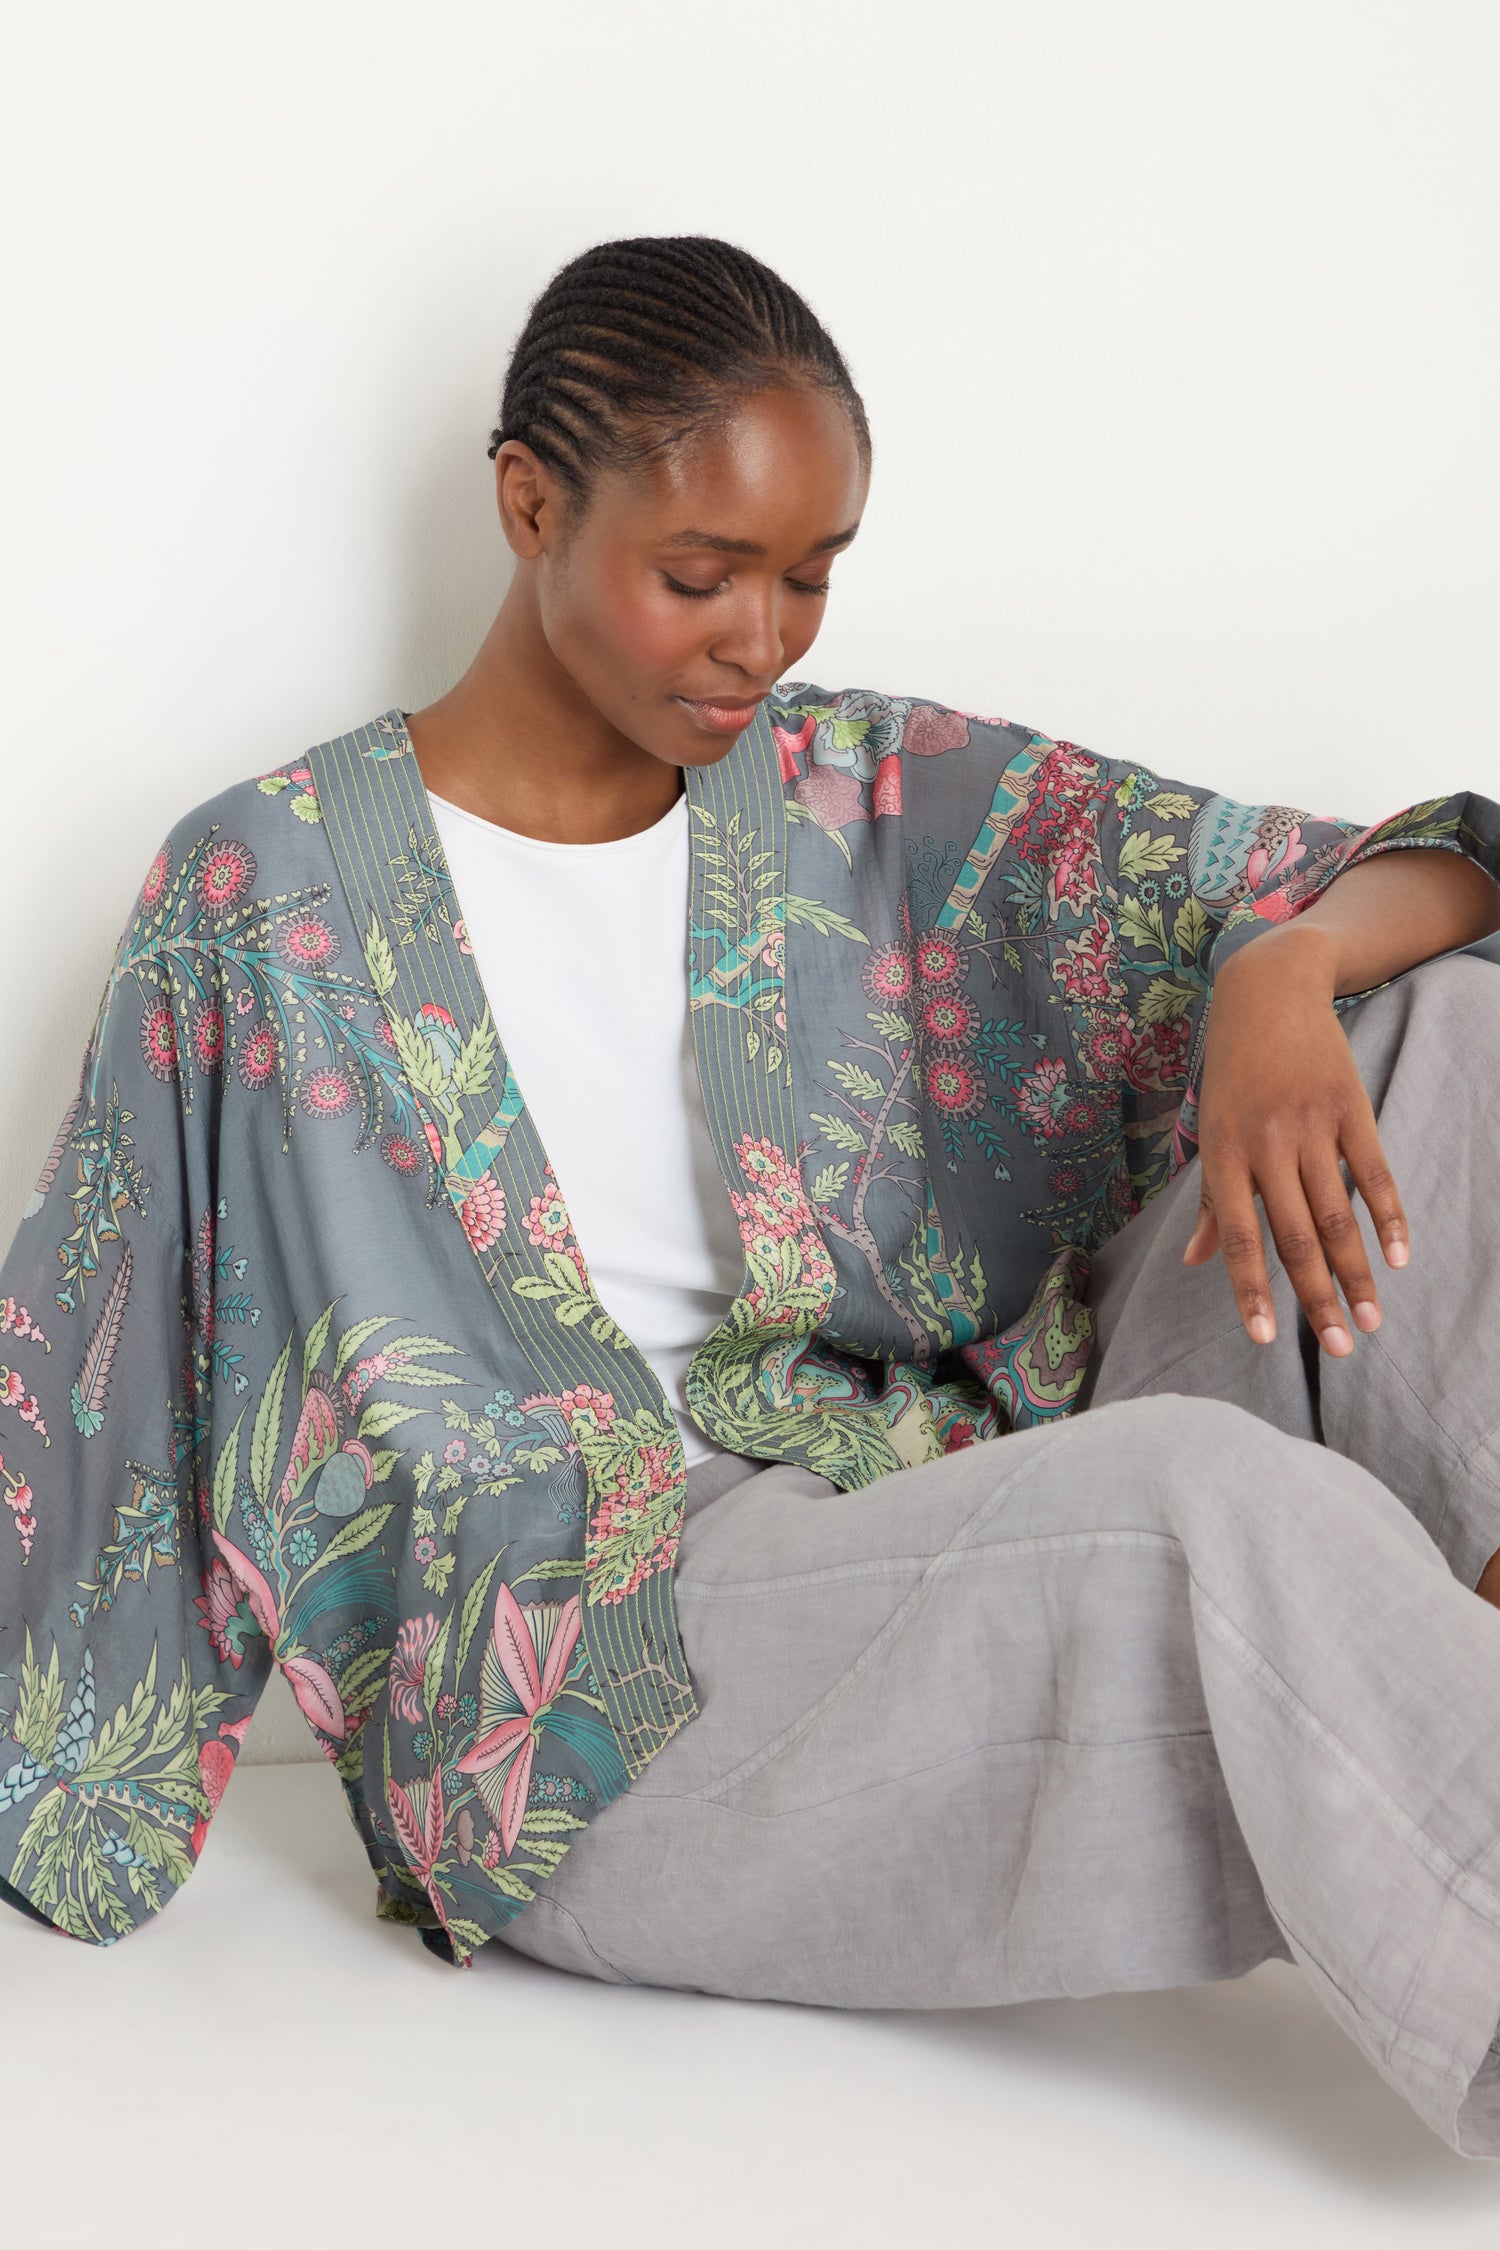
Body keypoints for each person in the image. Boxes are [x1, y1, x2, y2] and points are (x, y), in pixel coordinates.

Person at [2, 236, 1499, 2157]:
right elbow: (96, 1353)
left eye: (810, 575)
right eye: (699, 576)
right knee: (1211, 1512)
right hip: (600, 1678)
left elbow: (1425, 870)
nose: (760, 640)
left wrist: (1275, 974)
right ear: (528, 503)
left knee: (1436, 1040)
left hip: (931, 1478)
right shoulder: (263, 900)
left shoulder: (850, 789)